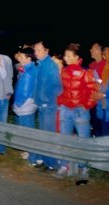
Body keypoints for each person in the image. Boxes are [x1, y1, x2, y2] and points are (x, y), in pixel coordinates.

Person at [56, 43, 99, 178]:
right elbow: (60, 89)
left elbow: (94, 91)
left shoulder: (86, 72)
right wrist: (60, 102)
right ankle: (64, 165)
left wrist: (86, 105)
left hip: (80, 111)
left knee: (83, 140)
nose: (66, 58)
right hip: (65, 109)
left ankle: (84, 168)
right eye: (65, 55)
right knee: (64, 139)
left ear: (77, 57)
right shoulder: (64, 71)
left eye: (69, 56)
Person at [33, 40, 63, 170]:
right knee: (44, 135)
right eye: (35, 50)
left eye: (39, 50)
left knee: (49, 136)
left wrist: (46, 99)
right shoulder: (40, 64)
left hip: (48, 107)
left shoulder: (50, 66)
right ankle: (46, 161)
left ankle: (52, 164)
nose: (36, 52)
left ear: (47, 51)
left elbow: (58, 87)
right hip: (41, 105)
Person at [12, 47, 39, 166]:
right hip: (28, 105)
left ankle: (34, 158)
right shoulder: (28, 68)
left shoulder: (28, 72)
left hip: (25, 106)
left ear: (28, 58)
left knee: (28, 133)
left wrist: (17, 104)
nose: (20, 59)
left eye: (22, 57)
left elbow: (24, 91)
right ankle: (29, 152)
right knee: (26, 131)